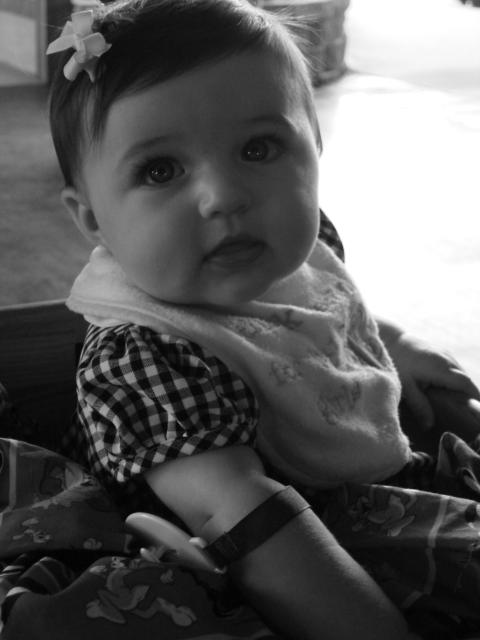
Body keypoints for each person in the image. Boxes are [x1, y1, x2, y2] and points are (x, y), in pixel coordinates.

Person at [46, 1, 480, 638]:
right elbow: (244, 521)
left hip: (367, 490)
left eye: (259, 147)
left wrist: (395, 344)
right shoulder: (143, 354)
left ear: (316, 148)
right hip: (288, 558)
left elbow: (324, 312)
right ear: (92, 219)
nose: (224, 197)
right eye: (160, 170)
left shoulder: (295, 246)